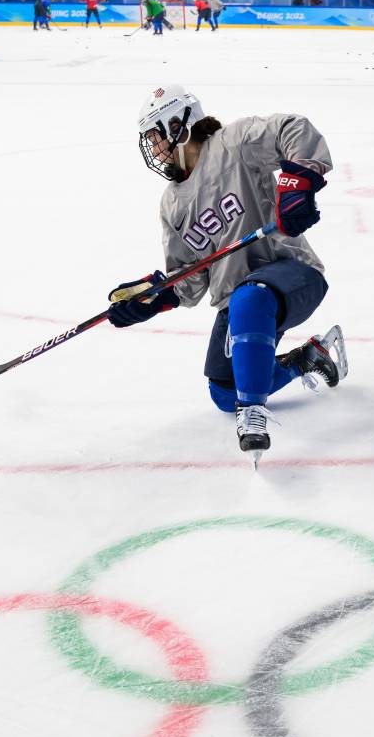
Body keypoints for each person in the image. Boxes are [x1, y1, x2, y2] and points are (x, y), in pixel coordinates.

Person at [106, 84, 347, 462]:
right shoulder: (172, 203)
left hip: (293, 276)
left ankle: (253, 416)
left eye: (155, 138)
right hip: (239, 302)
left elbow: (295, 129)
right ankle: (308, 358)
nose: (153, 150)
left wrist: (299, 180)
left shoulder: (232, 143)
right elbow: (189, 279)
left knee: (250, 298)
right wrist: (154, 298)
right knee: (223, 391)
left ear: (177, 125)